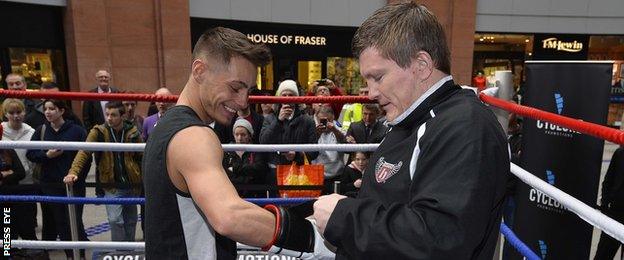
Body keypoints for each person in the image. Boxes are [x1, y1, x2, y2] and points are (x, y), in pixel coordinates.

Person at [312, 2, 510, 259]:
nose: (371, 92)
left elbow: (440, 238)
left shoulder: (465, 128)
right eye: (367, 80)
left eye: (378, 77)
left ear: (422, 65)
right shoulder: (412, 118)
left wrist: (346, 216)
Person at [142, 27, 330, 259]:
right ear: (199, 71)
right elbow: (230, 216)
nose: (243, 102)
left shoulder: (167, 127)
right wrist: (314, 238)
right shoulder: (193, 135)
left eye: (248, 90)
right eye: (234, 87)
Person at [64, 101, 143, 242]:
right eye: (107, 114)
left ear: (122, 116)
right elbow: (84, 152)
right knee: (115, 220)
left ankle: (129, 251)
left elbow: (142, 157)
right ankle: (119, 252)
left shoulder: (133, 131)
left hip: (132, 183)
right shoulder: (98, 131)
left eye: (113, 115)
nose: (109, 118)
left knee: (130, 221)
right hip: (111, 184)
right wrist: (73, 171)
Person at [26, 99, 89, 259]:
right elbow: (31, 154)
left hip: (74, 184)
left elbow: (86, 155)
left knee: (74, 220)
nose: (47, 112)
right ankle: (69, 255)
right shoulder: (41, 130)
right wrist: (47, 155)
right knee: (60, 221)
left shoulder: (77, 131)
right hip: (51, 184)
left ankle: (80, 255)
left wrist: (77, 175)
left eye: (52, 108)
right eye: (45, 109)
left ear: (61, 111)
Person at [1, 99, 38, 241]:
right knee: (7, 225)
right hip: (7, 187)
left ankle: (31, 253)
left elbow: (35, 156)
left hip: (27, 182)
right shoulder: (0, 132)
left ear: (24, 112)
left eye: (19, 112)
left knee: (28, 224)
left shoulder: (32, 132)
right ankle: (7, 253)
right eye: (11, 112)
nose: (16, 116)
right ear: (5, 114)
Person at [222, 118, 269, 198]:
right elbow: (226, 174)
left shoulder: (257, 150)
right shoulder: (227, 151)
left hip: (254, 195)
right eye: (237, 135)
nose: (239, 138)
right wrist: (247, 174)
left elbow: (259, 169)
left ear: (250, 135)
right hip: (232, 194)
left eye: (243, 135)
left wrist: (235, 169)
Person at [594, 146, 624, 259]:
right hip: (615, 213)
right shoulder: (620, 152)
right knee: (602, 255)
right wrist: (605, 206)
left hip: (615, 211)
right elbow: (608, 180)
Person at [312, 106, 346, 194]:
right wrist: (317, 134)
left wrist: (334, 130)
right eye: (322, 120)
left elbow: (346, 145)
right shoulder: (312, 130)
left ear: (333, 118)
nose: (325, 123)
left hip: (337, 175)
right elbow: (309, 152)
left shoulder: (339, 128)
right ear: (316, 118)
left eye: (327, 120)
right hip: (317, 176)